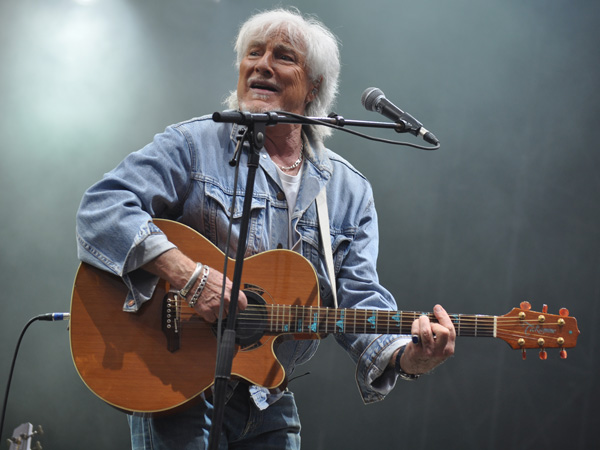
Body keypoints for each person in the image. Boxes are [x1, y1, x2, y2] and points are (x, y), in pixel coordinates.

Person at [76, 7, 456, 450]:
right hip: (178, 385)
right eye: (253, 53)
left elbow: (357, 297)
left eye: (282, 56)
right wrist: (190, 277)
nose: (261, 65)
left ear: (314, 85)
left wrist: (407, 358)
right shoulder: (192, 145)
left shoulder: (349, 190)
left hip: (266, 394)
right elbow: (102, 208)